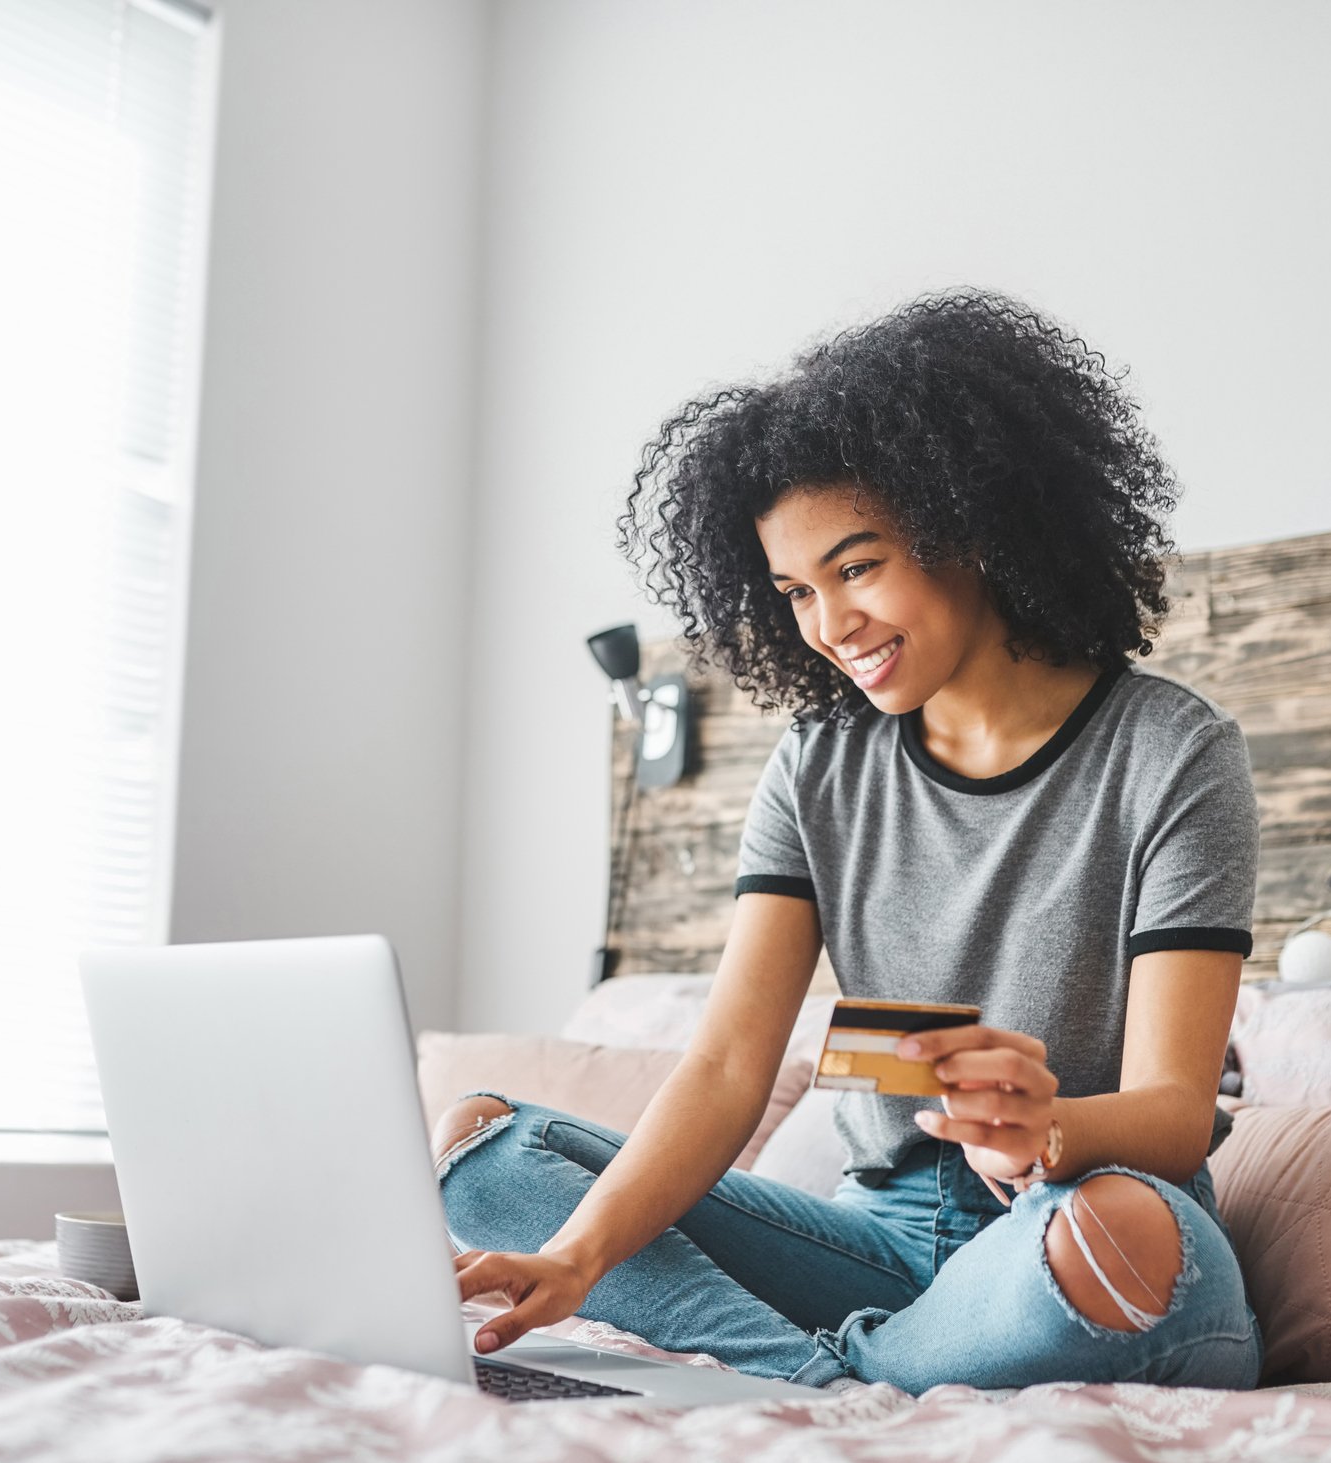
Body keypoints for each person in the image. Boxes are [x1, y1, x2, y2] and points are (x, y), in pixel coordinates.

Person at [431, 287, 1265, 1393]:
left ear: (969, 521)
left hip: (1066, 1206)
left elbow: (1170, 1108)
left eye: (857, 566)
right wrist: (578, 1254)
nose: (828, 627)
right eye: (793, 592)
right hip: (870, 1237)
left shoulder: (1170, 751)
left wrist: (1043, 1127)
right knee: (486, 1148)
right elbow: (729, 1064)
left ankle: (814, 1372)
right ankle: (834, 1382)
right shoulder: (817, 763)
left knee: (1125, 1237)